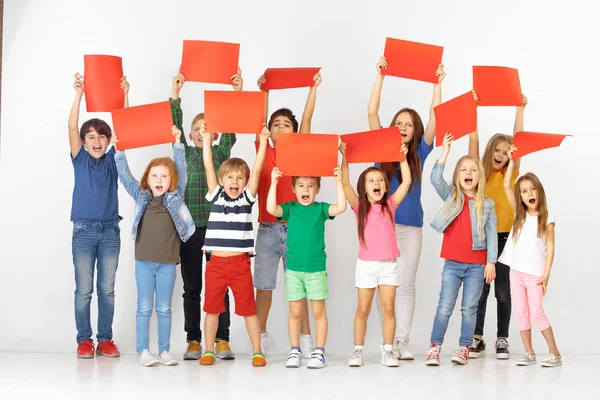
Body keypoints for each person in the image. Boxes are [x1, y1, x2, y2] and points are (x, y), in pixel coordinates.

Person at [368, 56, 445, 359]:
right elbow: (372, 111)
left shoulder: (420, 152)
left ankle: (403, 339)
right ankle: (389, 340)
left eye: (408, 124)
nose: (402, 127)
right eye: (398, 122)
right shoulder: (379, 147)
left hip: (411, 227)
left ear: (415, 131)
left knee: (407, 284)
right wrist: (381, 77)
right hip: (382, 228)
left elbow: (435, 118)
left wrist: (437, 84)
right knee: (385, 284)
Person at [169, 68, 243, 360]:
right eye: (197, 128)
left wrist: (237, 94)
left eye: (207, 128)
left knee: (219, 288)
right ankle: (193, 340)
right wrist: (176, 95)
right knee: (192, 287)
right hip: (189, 229)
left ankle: (222, 339)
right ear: (190, 135)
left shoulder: (222, 153)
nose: (202, 131)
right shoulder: (184, 153)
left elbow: (233, 126)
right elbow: (173, 127)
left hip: (218, 231)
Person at [113, 127, 195, 367]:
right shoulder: (142, 197)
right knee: (144, 307)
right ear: (147, 180)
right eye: (155, 176)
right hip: (145, 263)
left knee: (164, 308)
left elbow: (181, 169)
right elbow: (126, 176)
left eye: (165, 176)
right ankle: (143, 351)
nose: (160, 180)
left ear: (172, 181)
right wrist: (120, 151)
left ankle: (165, 351)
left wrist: (178, 142)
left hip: (167, 263)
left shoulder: (176, 196)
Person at [198, 124, 271, 367]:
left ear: (245, 182)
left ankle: (257, 351)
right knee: (212, 308)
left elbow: (258, 168)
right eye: (230, 177)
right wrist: (207, 140)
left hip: (240, 264)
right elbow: (208, 165)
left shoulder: (247, 199)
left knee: (249, 310)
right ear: (221, 180)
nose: (235, 181)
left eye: (240, 177)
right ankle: (208, 349)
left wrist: (262, 142)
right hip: (216, 263)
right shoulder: (216, 194)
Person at [68, 72, 129, 358]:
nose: (96, 141)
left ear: (108, 141)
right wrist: (79, 94)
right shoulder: (79, 158)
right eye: (90, 137)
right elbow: (71, 127)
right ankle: (84, 340)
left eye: (101, 137)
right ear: (83, 142)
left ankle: (105, 339)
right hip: (83, 231)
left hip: (109, 232)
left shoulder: (113, 161)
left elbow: (126, 129)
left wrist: (124, 94)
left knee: (107, 289)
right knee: (84, 290)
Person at [425, 133, 497, 366]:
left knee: (469, 309)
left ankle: (464, 347)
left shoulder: (486, 204)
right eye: (464, 169)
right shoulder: (452, 196)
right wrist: (444, 152)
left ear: (480, 176)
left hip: (477, 265)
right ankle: (435, 346)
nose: (468, 173)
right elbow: (435, 178)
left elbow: (493, 235)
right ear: (457, 176)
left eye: (473, 170)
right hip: (453, 264)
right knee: (445, 306)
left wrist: (491, 262)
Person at [266, 165, 347, 369]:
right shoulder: (290, 208)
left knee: (318, 311)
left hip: (316, 270)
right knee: (295, 311)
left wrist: (339, 183)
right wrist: (274, 183)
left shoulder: (320, 209)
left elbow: (341, 207)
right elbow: (270, 209)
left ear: (318, 189)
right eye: (301, 185)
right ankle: (295, 350)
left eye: (311, 186)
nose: (306, 189)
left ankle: (319, 352)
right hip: (293, 270)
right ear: (294, 189)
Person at [468, 92, 529, 359]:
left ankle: (502, 339)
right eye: (498, 150)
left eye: (506, 152)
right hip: (483, 237)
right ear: (490, 150)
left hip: (507, 239)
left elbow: (520, 138)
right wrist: (472, 109)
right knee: (480, 292)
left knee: (503, 292)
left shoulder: (512, 174)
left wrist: (519, 108)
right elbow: (473, 141)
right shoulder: (479, 173)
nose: (501, 155)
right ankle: (476, 338)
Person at [498, 148, 562, 367]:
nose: (529, 193)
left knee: (537, 313)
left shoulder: (547, 218)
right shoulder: (520, 214)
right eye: (524, 191)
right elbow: (507, 185)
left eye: (532, 189)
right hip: (515, 271)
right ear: (521, 196)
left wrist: (546, 275)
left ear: (539, 191)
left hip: (535, 275)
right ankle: (529, 353)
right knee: (522, 313)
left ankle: (554, 353)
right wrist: (513, 160)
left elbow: (551, 248)